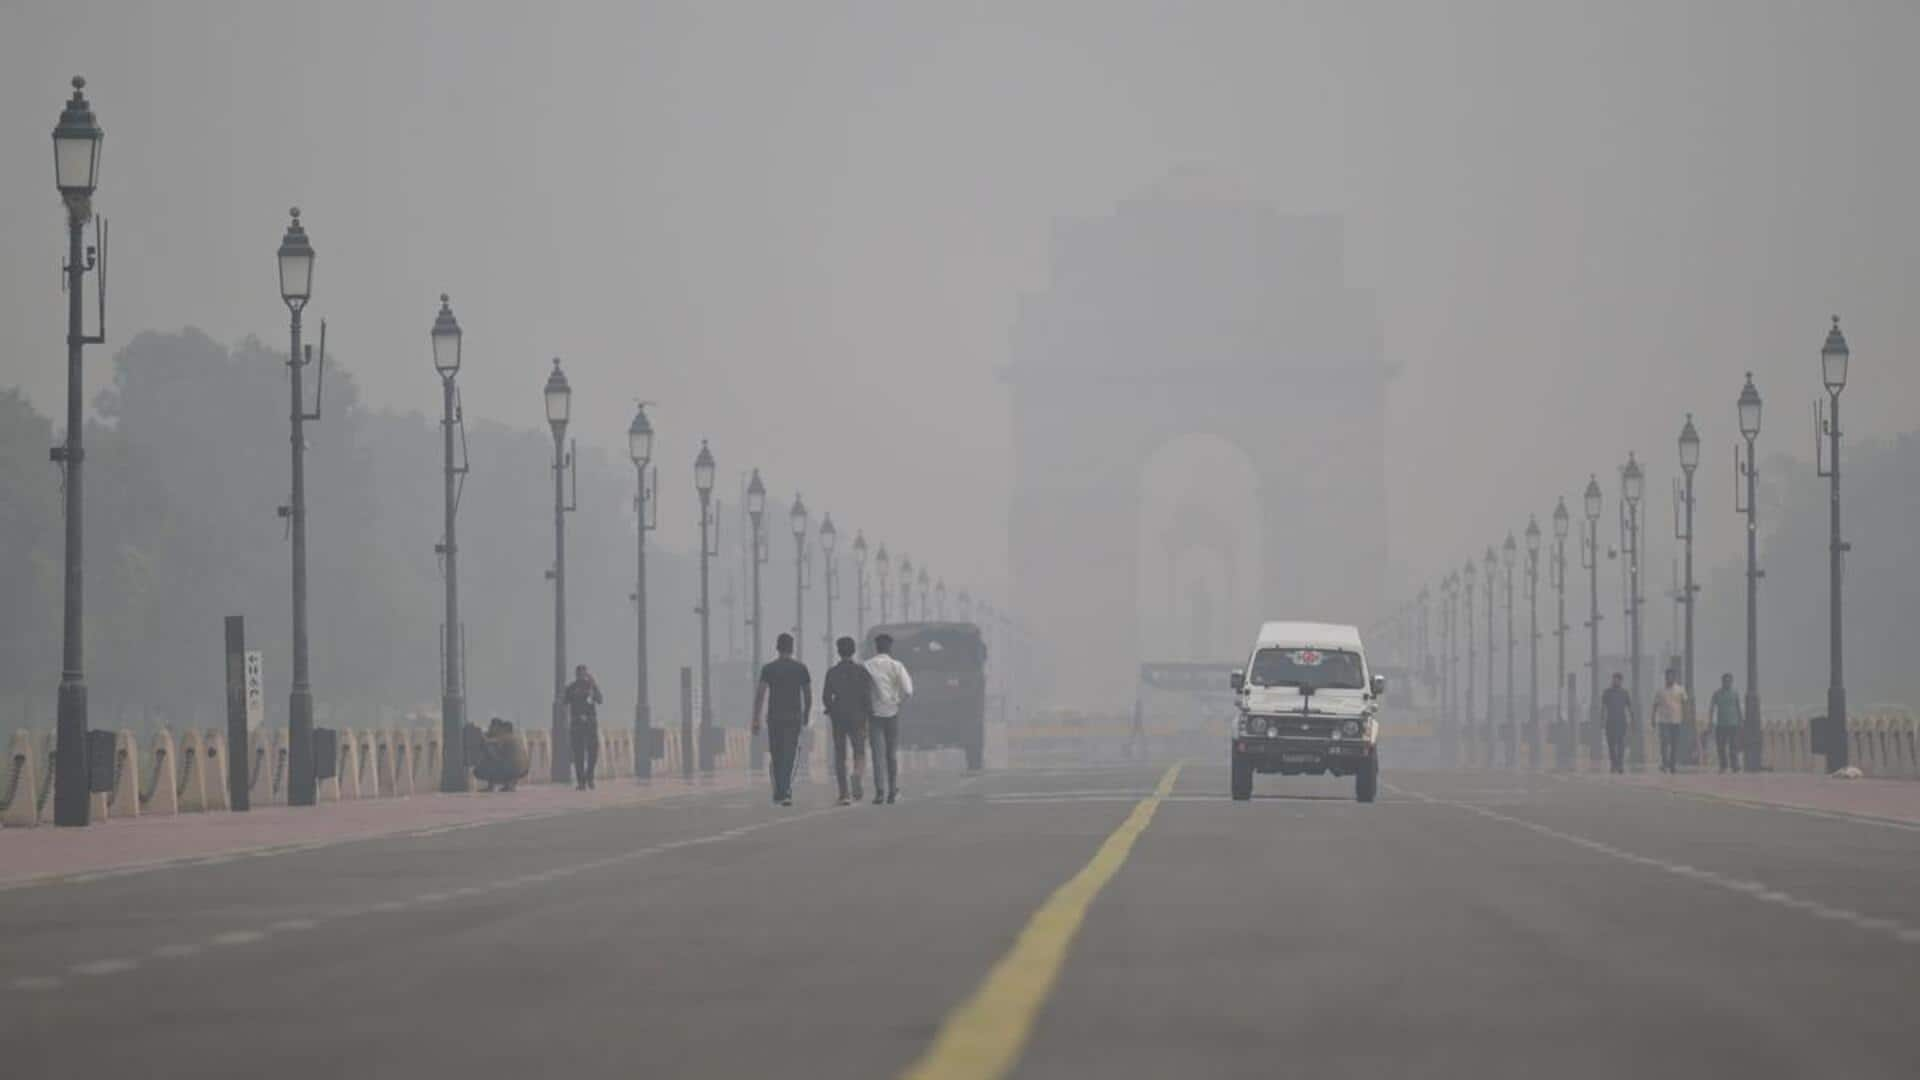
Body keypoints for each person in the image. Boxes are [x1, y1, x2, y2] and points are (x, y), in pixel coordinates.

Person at [753, 633, 812, 806]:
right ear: (792, 648)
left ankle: (781, 790)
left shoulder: (769, 669)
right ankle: (785, 790)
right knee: (789, 754)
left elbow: (760, 694)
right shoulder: (801, 668)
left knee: (777, 754)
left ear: (777, 647)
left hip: (774, 717)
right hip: (793, 718)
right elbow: (808, 694)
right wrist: (806, 714)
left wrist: (755, 718)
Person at [821, 635, 875, 806]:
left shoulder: (832, 672)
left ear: (838, 651)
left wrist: (831, 709)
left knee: (840, 755)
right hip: (858, 716)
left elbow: (826, 697)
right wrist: (869, 714)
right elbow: (867, 696)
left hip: (839, 717)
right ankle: (857, 774)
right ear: (853, 651)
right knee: (859, 751)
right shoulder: (862, 671)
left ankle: (843, 793)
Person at [864, 632, 914, 805]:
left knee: (877, 755)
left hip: (874, 715)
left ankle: (879, 791)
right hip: (892, 713)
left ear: (876, 647)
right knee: (891, 754)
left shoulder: (867, 666)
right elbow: (908, 690)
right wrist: (898, 702)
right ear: (890, 648)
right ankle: (893, 790)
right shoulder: (896, 666)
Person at [564, 664, 604, 790]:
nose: (582, 676)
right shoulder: (571, 688)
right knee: (578, 754)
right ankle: (581, 782)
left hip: (590, 723)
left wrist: (594, 685)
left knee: (593, 752)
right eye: (580, 674)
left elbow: (600, 700)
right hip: (577, 724)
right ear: (576, 674)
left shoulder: (591, 686)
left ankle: (589, 776)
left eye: (584, 674)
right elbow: (564, 702)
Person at [471, 717, 530, 791]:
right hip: (524, 770)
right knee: (506, 760)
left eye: (491, 727)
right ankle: (510, 785)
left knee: (489, 759)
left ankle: (491, 786)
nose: (490, 729)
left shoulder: (502, 737)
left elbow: (491, 752)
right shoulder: (515, 737)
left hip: (512, 769)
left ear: (498, 728)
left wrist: (481, 737)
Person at [1651, 668, 1688, 774]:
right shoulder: (1660, 691)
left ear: (1674, 677)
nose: (1669, 678)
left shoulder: (1680, 689)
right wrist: (1653, 718)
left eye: (1671, 676)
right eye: (1668, 676)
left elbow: (1685, 704)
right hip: (1663, 721)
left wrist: (1686, 718)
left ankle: (1672, 764)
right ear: (1665, 677)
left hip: (1676, 720)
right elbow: (1655, 705)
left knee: (1674, 744)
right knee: (1664, 743)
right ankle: (1664, 762)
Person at [1709, 673, 1743, 773]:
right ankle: (1723, 766)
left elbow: (1738, 707)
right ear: (1722, 682)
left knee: (1734, 746)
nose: (1727, 683)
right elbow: (1712, 708)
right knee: (1721, 747)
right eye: (1725, 681)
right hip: (1721, 724)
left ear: (1731, 682)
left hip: (1733, 724)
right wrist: (1710, 721)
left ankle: (1734, 766)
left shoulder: (1735, 693)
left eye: (1729, 681)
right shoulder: (1717, 693)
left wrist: (1741, 720)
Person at [1600, 673, 1633, 774]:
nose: (1615, 681)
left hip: (1621, 722)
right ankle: (1613, 764)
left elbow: (1629, 707)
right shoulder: (1607, 692)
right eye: (1614, 679)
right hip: (1610, 722)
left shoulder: (1624, 693)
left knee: (1621, 744)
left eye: (1618, 680)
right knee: (1611, 745)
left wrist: (1632, 719)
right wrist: (1601, 720)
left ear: (1621, 681)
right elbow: (1603, 707)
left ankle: (1620, 765)